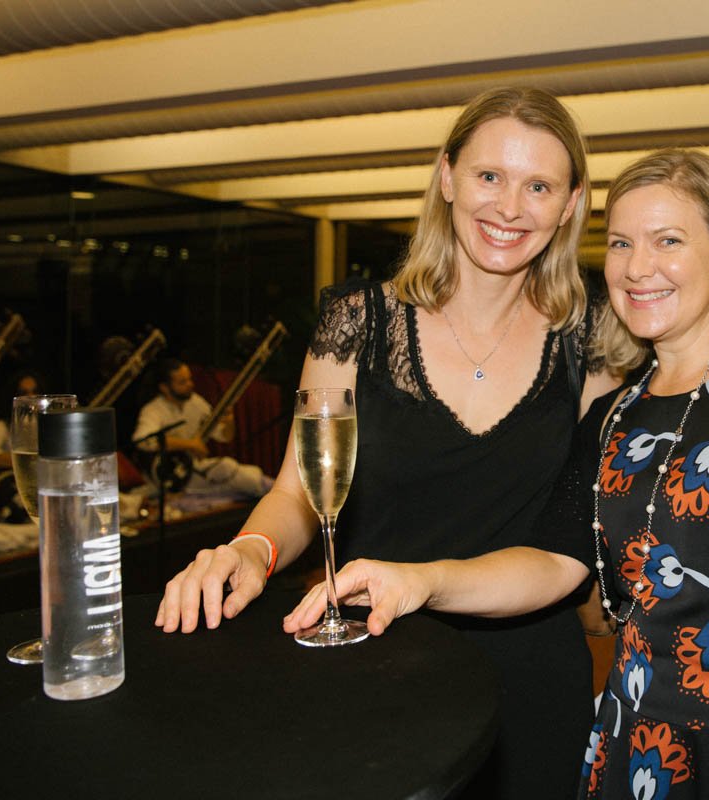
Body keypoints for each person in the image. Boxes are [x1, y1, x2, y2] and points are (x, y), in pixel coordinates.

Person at [287, 149, 709, 798]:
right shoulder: (617, 414)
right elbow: (553, 564)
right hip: (643, 747)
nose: (638, 268)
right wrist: (418, 581)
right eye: (620, 243)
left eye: (668, 241)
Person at [155, 87, 618, 799]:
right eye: (488, 176)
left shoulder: (594, 344)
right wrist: (252, 550)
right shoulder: (357, 320)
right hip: (378, 664)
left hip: (533, 685)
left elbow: (580, 541)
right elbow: (298, 491)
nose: (508, 206)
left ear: (570, 203)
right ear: (446, 177)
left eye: (539, 186)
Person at [132, 358, 272, 497]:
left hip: (193, 468)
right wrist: (190, 445)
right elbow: (143, 440)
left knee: (232, 471)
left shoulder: (196, 402)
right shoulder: (153, 410)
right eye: (182, 382)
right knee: (227, 467)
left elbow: (224, 436)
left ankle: (273, 491)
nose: (190, 385)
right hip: (167, 475)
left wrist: (229, 422)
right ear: (164, 388)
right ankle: (273, 491)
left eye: (189, 379)